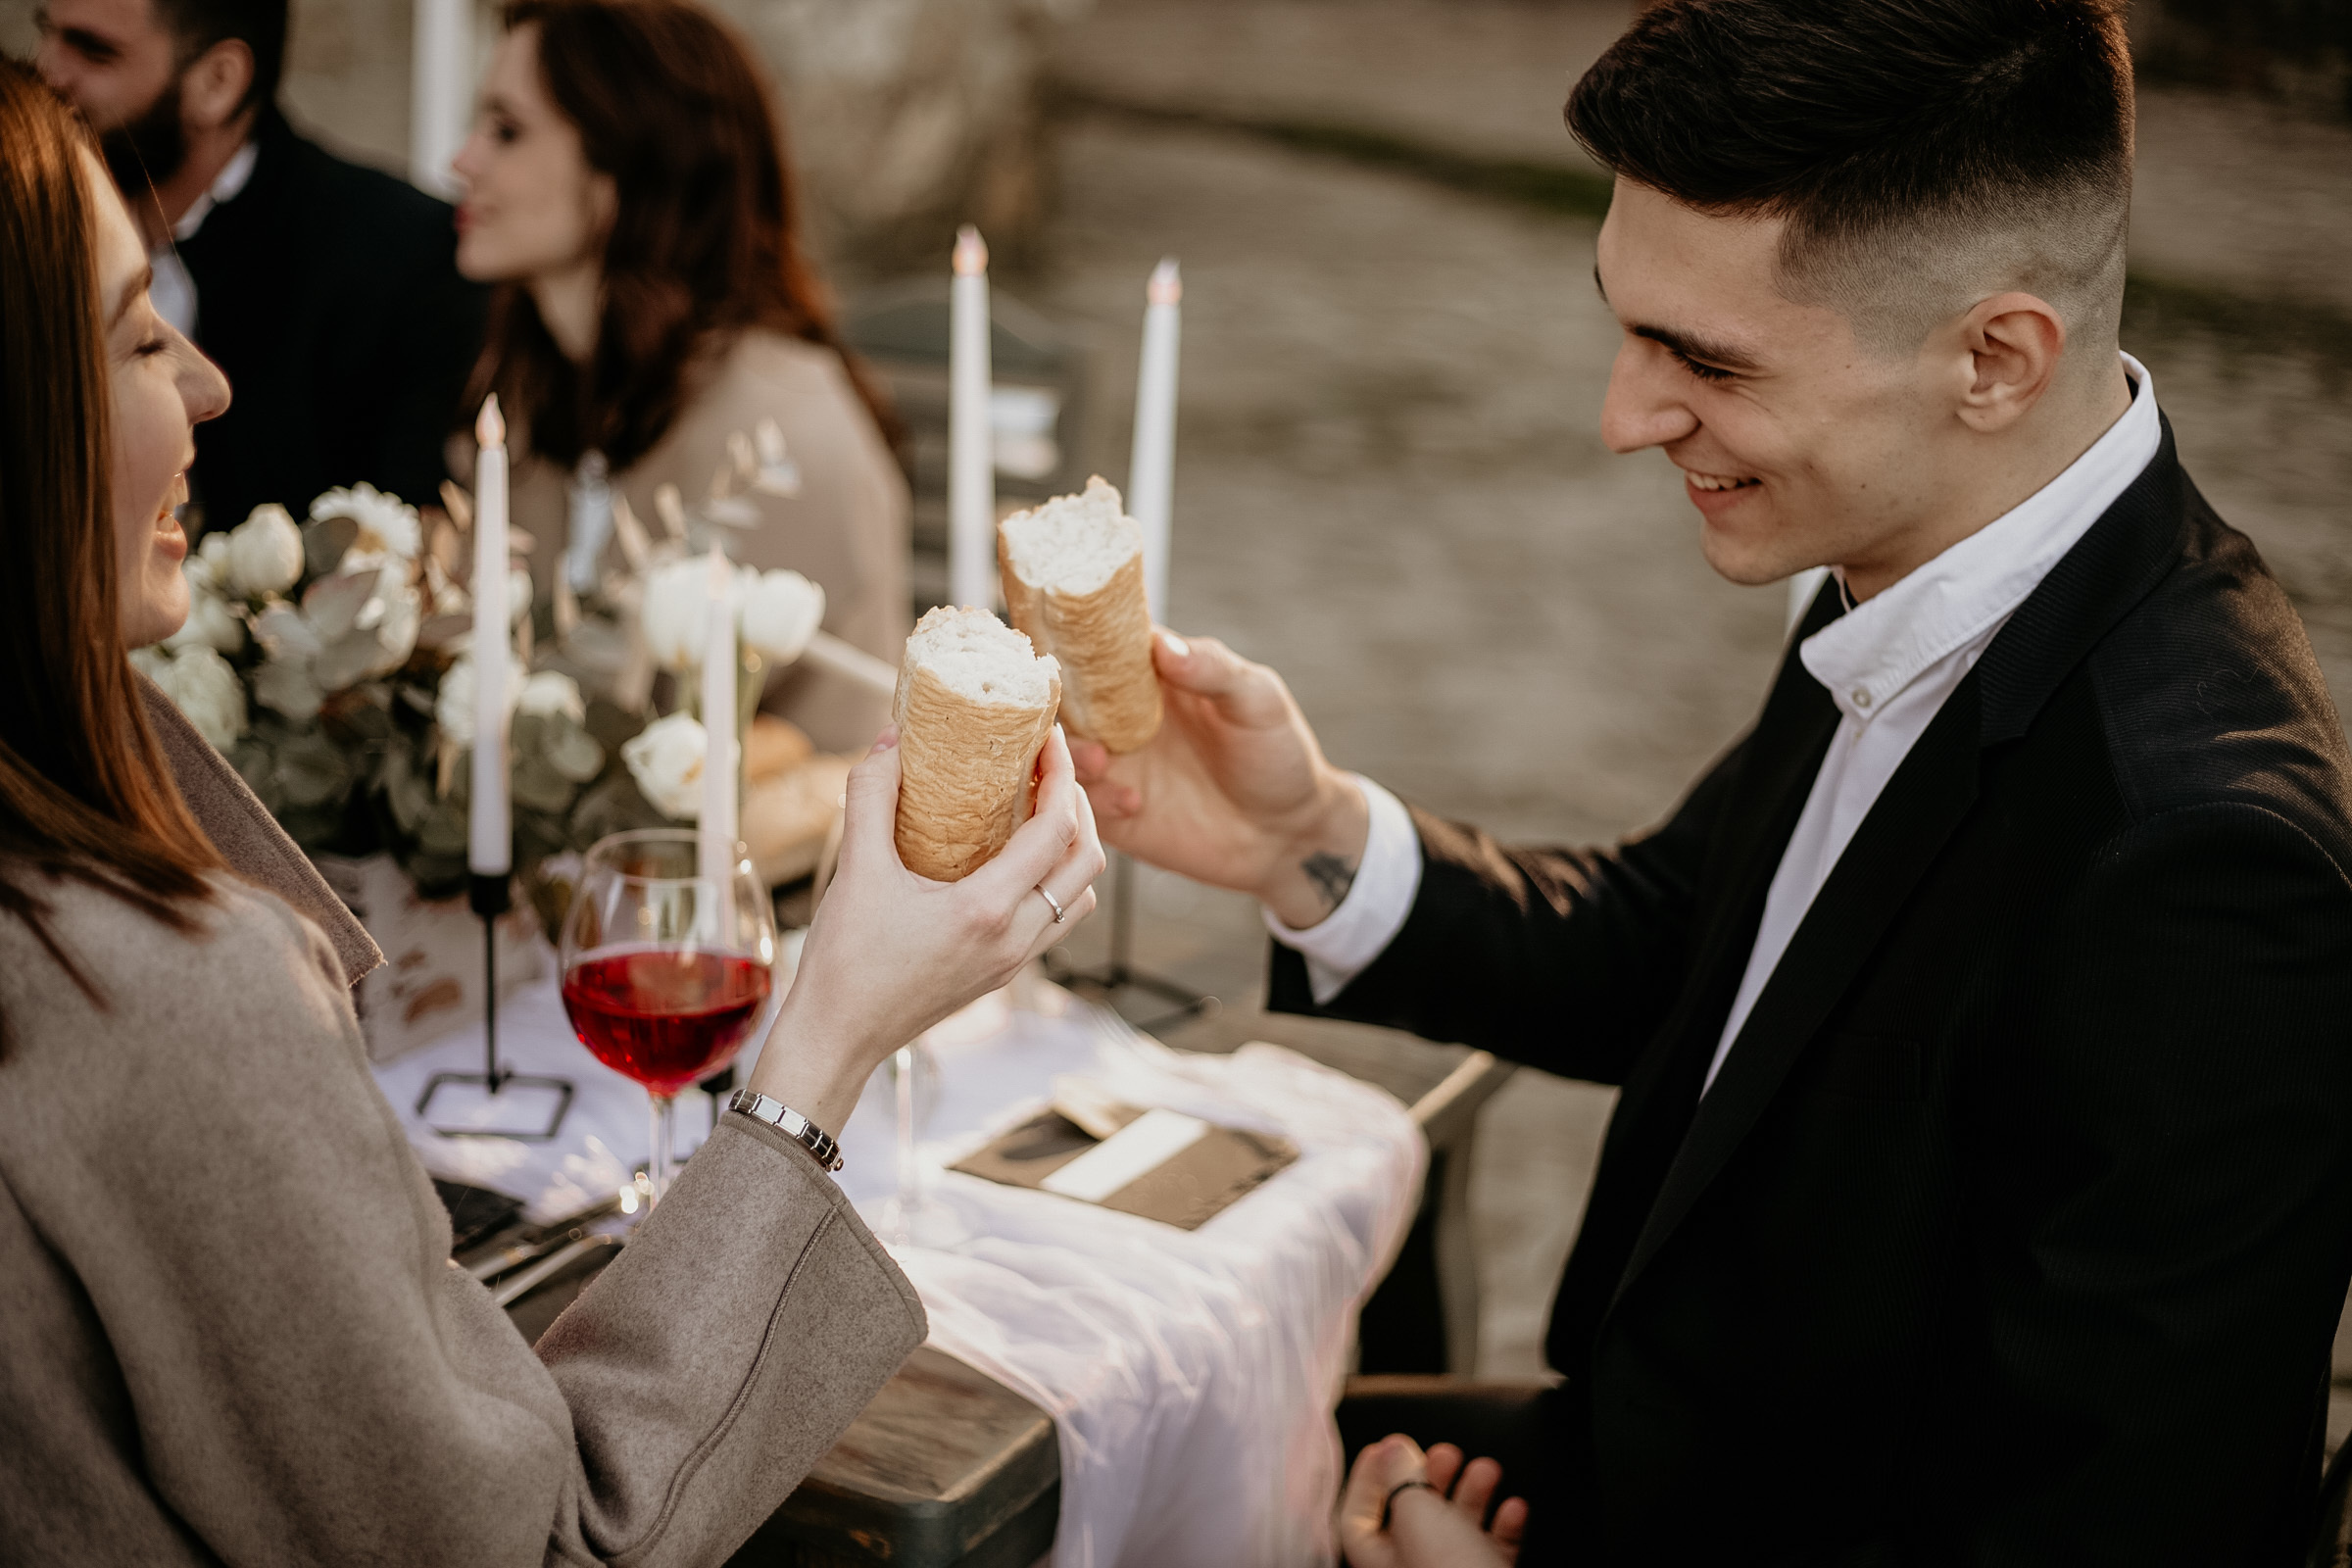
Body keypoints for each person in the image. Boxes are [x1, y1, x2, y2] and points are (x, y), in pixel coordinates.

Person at [1074, 1, 2352, 1562]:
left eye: (1705, 361)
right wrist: (1310, 841)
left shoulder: (2206, 862)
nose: (1626, 418)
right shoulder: (1923, 553)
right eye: (1626, 322)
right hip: (1633, 1449)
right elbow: (1706, 949)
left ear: (1996, 359)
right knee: (1097, 1435)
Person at [0, 59, 1102, 1563]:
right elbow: (543, 1542)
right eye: (138, 335)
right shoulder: (150, 991)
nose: (208, 383)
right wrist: (828, 1033)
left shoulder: (774, 416)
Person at [454, 0, 910, 754]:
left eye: (506, 131)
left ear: (625, 164)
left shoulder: (789, 435)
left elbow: (824, 763)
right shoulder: (531, 396)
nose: (462, 161)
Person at [34, 0, 486, 534]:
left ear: (218, 81)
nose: (48, 72)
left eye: (94, 51)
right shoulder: (29, 233)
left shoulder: (404, 261)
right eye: (48, 33)